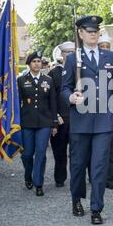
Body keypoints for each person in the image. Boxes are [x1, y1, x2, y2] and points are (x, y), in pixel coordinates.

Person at [62, 15, 113, 225]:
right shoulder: (73, 59)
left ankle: (96, 208)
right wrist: (70, 97)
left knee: (99, 167)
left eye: (96, 30)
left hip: (104, 122)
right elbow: (65, 87)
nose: (93, 34)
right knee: (78, 165)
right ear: (80, 33)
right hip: (80, 121)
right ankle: (76, 199)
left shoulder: (110, 57)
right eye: (89, 31)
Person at [18, 51, 58, 197]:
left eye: (39, 61)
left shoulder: (48, 80)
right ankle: (28, 174)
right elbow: (17, 103)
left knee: (41, 152)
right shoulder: (21, 80)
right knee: (27, 154)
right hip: (27, 122)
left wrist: (54, 123)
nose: (37, 64)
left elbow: (53, 101)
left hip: (44, 122)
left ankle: (38, 183)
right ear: (29, 64)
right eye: (34, 61)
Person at [48, 41, 74, 188]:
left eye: (72, 52)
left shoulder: (80, 71)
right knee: (59, 151)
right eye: (67, 52)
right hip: (60, 118)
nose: (69, 55)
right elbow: (50, 98)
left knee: (78, 152)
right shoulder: (54, 73)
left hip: (77, 118)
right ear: (62, 55)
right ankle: (60, 178)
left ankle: (80, 178)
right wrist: (55, 116)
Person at [97, 34, 113, 190]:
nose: (105, 49)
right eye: (102, 46)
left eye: (107, 46)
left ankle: (111, 179)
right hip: (92, 112)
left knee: (110, 148)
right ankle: (96, 177)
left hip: (110, 112)